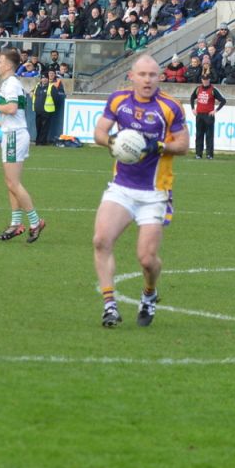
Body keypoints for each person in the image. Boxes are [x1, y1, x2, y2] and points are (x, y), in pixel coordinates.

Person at [93, 54, 190, 328]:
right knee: (101, 240)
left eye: (153, 75)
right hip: (121, 187)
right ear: (132, 76)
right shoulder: (117, 100)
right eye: (143, 74)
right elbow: (99, 132)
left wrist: (157, 146)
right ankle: (109, 305)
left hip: (155, 193)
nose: (147, 80)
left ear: (159, 77)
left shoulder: (170, 106)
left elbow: (183, 145)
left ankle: (149, 292)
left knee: (147, 260)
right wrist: (113, 142)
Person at [0, 49, 46, 243]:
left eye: (0, 61)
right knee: (10, 182)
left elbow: (12, 109)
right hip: (13, 133)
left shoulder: (11, 84)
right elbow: (16, 110)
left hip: (14, 136)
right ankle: (15, 224)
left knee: (13, 183)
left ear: (8, 65)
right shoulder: (11, 83)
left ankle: (35, 221)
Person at [189, 74, 227, 159]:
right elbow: (192, 98)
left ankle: (209, 154)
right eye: (203, 79)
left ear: (209, 80)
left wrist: (215, 110)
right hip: (199, 115)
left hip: (208, 115)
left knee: (209, 135)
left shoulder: (213, 89)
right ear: (201, 80)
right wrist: (192, 108)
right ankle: (198, 154)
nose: (205, 81)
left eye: (206, 79)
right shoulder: (198, 89)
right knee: (199, 135)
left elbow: (223, 100)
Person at [33, 69, 64, 145]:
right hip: (38, 110)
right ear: (41, 79)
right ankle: (38, 141)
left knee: (45, 128)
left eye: (46, 78)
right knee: (38, 127)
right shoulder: (37, 86)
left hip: (47, 111)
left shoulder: (51, 87)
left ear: (48, 79)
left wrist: (53, 107)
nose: (44, 79)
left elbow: (56, 98)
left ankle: (42, 142)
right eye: (43, 78)